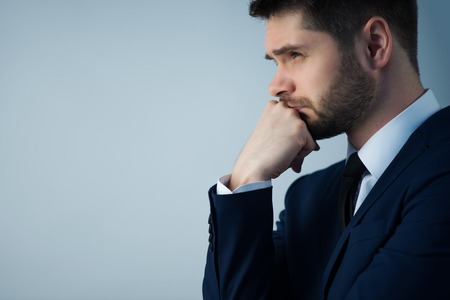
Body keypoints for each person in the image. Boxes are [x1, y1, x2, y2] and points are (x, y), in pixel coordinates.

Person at [203, 0, 450, 299]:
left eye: (295, 55)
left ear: (374, 45)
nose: (275, 86)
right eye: (274, 61)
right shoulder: (306, 198)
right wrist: (247, 175)